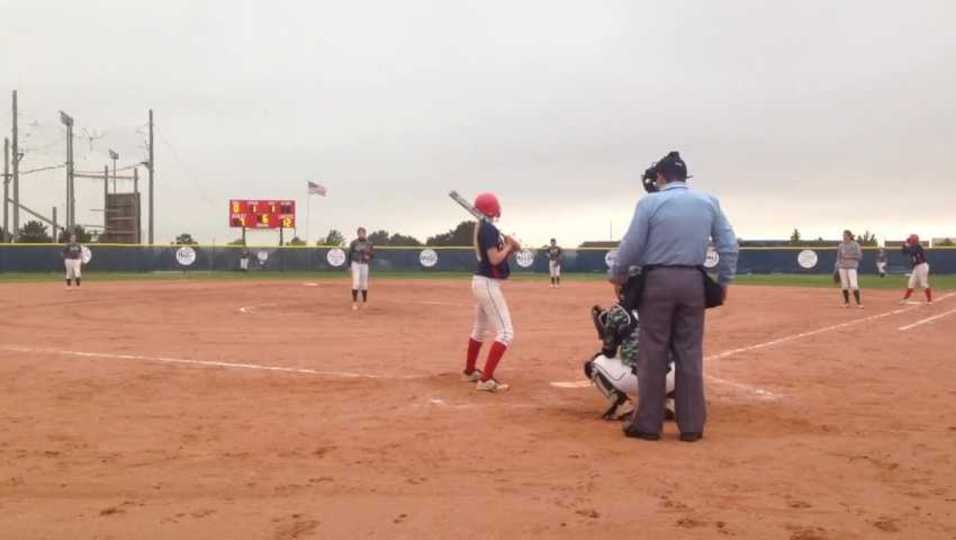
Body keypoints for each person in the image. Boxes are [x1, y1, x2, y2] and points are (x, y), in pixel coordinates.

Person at [609, 151, 738, 442]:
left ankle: (648, 424)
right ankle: (692, 426)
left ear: (661, 177)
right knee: (689, 352)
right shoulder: (709, 202)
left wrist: (618, 275)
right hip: (693, 280)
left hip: (657, 281)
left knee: (652, 352)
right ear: (684, 177)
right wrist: (724, 281)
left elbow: (631, 246)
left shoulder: (650, 202)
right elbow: (729, 245)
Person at [584, 275, 675, 421]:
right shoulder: (665, 308)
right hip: (670, 379)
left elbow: (608, 352)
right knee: (685, 354)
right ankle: (673, 403)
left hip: (637, 380)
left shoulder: (618, 311)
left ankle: (622, 405)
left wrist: (606, 331)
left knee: (593, 364)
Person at [461, 192, 520, 393]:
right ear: (493, 208)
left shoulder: (486, 228)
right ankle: (486, 380)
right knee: (506, 333)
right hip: (487, 284)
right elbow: (495, 259)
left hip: (483, 282)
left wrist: (510, 248)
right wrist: (510, 246)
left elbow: (497, 257)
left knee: (479, 329)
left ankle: (470, 371)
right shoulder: (488, 229)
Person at [347, 227, 374, 310]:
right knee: (356, 283)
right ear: (357, 234)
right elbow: (349, 254)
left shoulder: (369, 243)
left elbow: (372, 254)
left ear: (365, 234)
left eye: (363, 233)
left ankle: (364, 302)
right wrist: (349, 266)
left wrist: (368, 256)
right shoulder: (354, 243)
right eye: (360, 233)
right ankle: (354, 303)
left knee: (364, 284)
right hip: (355, 264)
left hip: (365, 264)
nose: (361, 234)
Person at [900, 234, 932, 304]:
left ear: (915, 240)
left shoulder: (918, 246)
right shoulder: (912, 246)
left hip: (922, 266)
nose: (910, 240)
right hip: (916, 267)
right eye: (910, 239)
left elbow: (911, 251)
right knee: (911, 283)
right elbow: (904, 252)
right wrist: (905, 244)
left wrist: (907, 245)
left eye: (911, 239)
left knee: (923, 284)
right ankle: (905, 299)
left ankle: (929, 300)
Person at [835, 230, 864, 309]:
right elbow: (838, 257)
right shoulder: (841, 245)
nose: (843, 237)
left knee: (854, 285)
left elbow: (860, 256)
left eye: (845, 235)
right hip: (842, 267)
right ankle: (846, 303)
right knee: (844, 286)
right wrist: (836, 267)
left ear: (849, 236)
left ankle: (859, 303)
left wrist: (849, 256)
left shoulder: (855, 245)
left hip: (852, 267)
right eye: (843, 235)